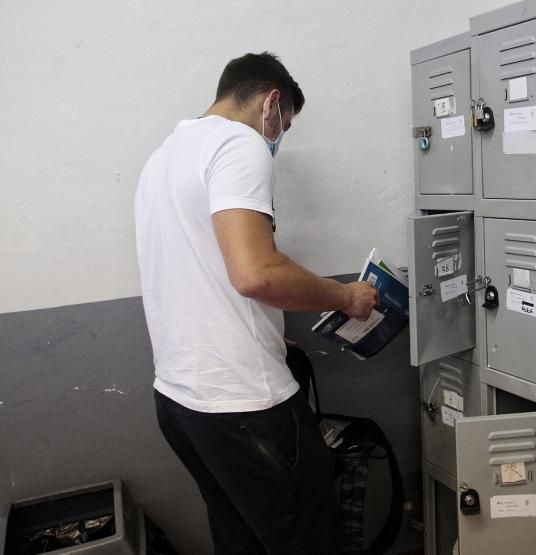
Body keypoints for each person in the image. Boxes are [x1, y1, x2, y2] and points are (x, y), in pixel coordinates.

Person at [134, 51, 378, 554]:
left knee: (240, 539)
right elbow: (256, 272)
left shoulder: (165, 155)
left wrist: (260, 330)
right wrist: (346, 296)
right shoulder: (238, 143)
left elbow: (200, 270)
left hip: (180, 402)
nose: (278, 136)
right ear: (271, 103)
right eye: (283, 124)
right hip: (245, 408)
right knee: (310, 542)